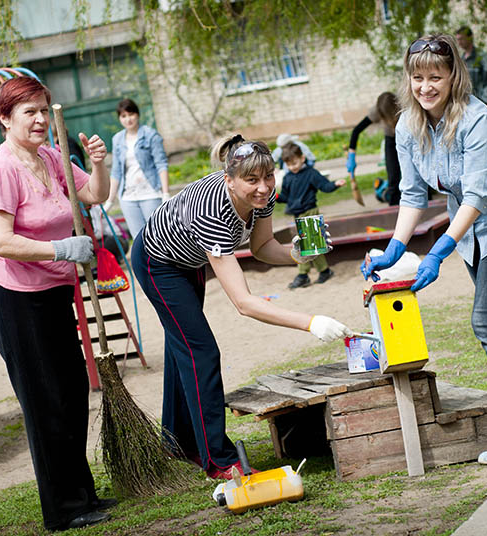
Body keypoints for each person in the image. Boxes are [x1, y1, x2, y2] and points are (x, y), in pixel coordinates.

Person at [365, 34, 487, 465]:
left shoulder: (478, 119)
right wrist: (395, 247)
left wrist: (439, 251)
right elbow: (412, 195)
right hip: (469, 230)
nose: (426, 86)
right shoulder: (408, 128)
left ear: (454, 75)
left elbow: (477, 195)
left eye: (436, 75)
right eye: (418, 77)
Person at [132, 134, 353, 480]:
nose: (263, 187)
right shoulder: (213, 212)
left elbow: (262, 246)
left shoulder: (263, 194)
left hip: (188, 262)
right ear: (229, 181)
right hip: (157, 263)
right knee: (201, 352)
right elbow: (244, 303)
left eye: (268, 177)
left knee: (185, 346)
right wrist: (311, 322)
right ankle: (218, 460)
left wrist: (297, 254)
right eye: (252, 180)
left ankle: (176, 442)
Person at [0, 76, 115, 531]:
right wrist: (60, 250)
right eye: (28, 112)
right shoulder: (0, 169)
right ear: (4, 118)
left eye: (43, 109)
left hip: (54, 292)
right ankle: (64, 509)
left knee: (72, 392)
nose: (39, 119)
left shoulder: (52, 157)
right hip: (16, 300)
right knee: (45, 401)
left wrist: (98, 163)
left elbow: (94, 195)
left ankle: (84, 493)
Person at [277, 143, 346, 288]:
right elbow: (284, 197)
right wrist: (273, 196)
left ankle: (303, 275)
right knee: (312, 245)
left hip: (310, 212)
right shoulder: (288, 178)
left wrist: (335, 184)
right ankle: (325, 271)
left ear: (302, 158)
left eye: (294, 163)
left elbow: (324, 186)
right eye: (288, 165)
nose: (292, 167)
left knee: (307, 245)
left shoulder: (311, 173)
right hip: (298, 214)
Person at [103, 98, 170, 240]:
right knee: (139, 240)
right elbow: (116, 171)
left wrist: (165, 193)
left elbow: (161, 163)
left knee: (158, 236)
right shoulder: (117, 139)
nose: (128, 119)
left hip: (150, 193)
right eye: (123, 116)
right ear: (120, 118)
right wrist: (109, 201)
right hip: (128, 197)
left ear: (137, 114)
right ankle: (145, 263)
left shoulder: (151, 135)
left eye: (131, 114)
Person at [346, 92, 402, 205]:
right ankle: (382, 191)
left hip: (408, 138)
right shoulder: (377, 110)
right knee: (394, 180)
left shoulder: (404, 106)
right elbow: (356, 130)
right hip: (391, 140)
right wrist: (351, 157)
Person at [455, 26, 487, 106]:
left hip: (482, 103)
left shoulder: (482, 57)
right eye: (458, 39)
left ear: (470, 37)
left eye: (461, 39)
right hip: (467, 104)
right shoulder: (461, 60)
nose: (459, 42)